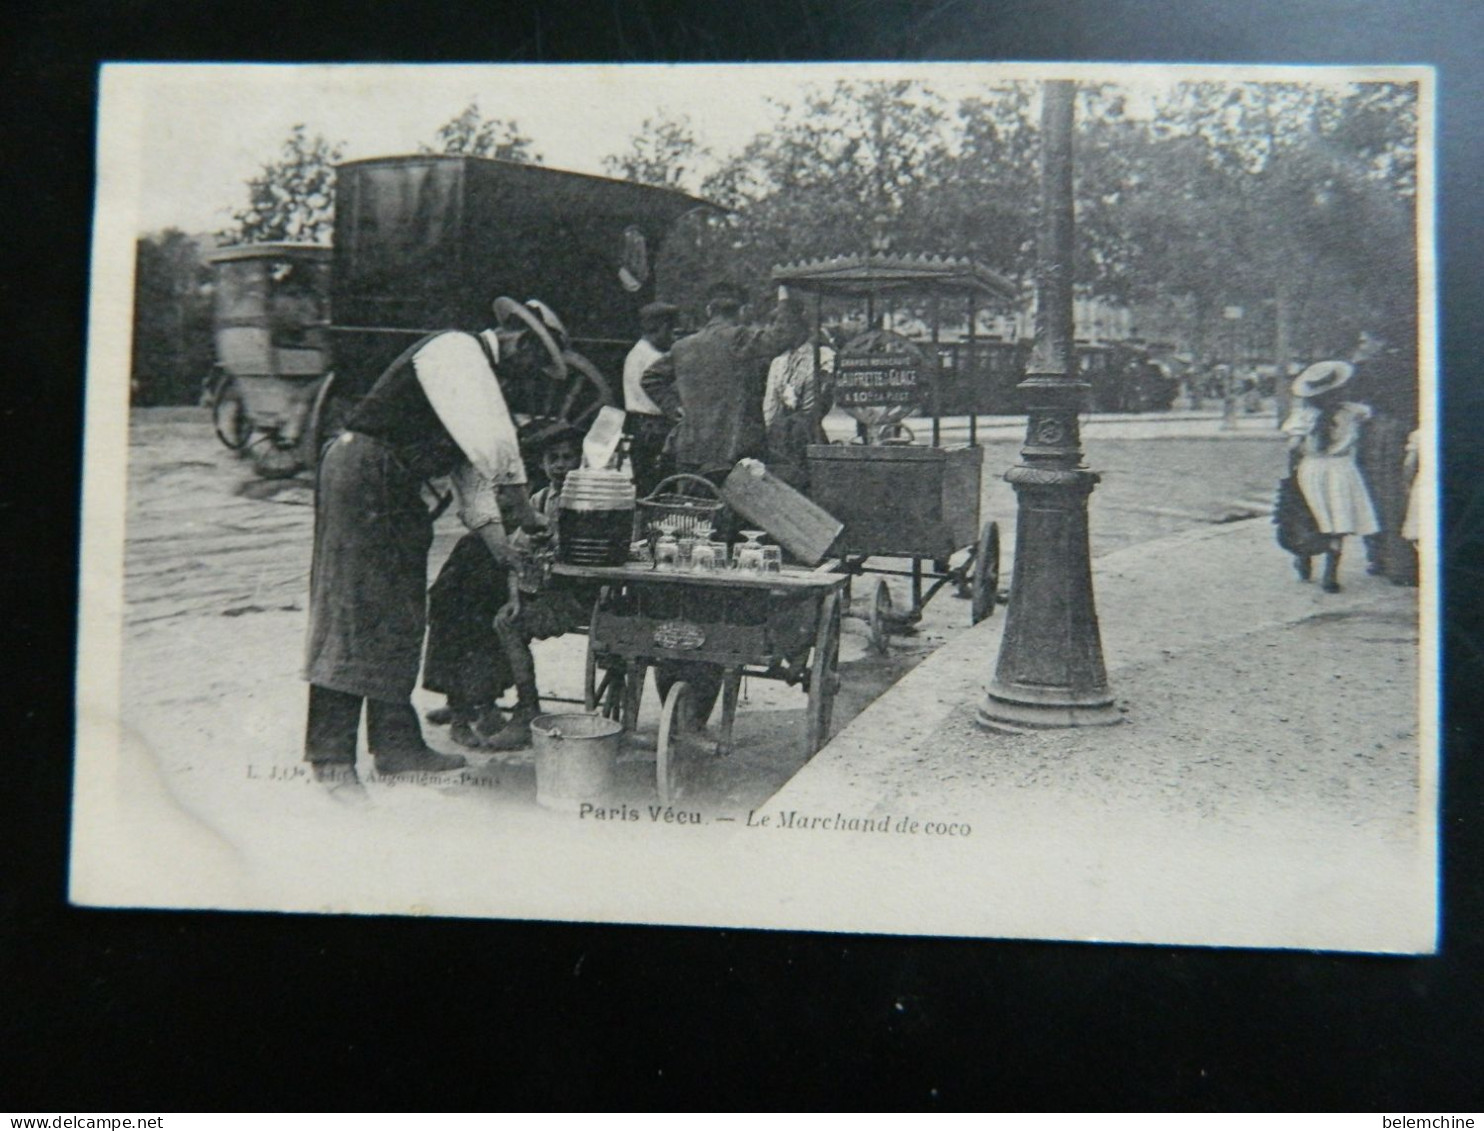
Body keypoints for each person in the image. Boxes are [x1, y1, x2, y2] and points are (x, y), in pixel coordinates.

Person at [302, 297, 570, 789]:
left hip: (391, 483)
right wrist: (528, 513)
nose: (530, 376)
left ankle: (396, 747)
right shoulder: (458, 352)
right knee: (354, 610)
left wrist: (502, 548)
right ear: (521, 342)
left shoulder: (477, 383)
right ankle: (331, 755)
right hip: (365, 472)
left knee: (398, 613)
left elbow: (471, 479)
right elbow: (495, 447)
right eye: (535, 362)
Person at [639, 281, 807, 722]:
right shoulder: (745, 341)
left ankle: (680, 645)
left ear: (708, 308)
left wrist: (679, 411)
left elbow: (650, 378)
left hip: (690, 467)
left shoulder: (686, 346)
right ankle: (751, 635)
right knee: (744, 559)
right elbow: (787, 335)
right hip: (738, 467)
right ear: (743, 309)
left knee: (691, 551)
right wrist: (787, 299)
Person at [422, 420, 586, 750]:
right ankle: (463, 703)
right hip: (493, 545)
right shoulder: (500, 458)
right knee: (450, 599)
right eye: (553, 458)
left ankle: (478, 700)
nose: (560, 465)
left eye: (567, 458)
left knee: (488, 609)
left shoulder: (559, 488)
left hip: (514, 553)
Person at [1282, 360, 1380, 593]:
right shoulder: (1354, 412)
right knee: (1338, 519)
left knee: (1310, 515)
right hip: (1342, 468)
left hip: (1313, 468)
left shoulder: (1302, 416)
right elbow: (1368, 415)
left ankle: (1304, 559)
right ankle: (1331, 574)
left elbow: (1293, 445)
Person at [1348, 321, 1419, 585]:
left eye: (1365, 341)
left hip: (1380, 433)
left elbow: (1357, 401)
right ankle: (1394, 559)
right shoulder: (1404, 365)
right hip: (1398, 430)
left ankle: (1387, 560)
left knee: (1380, 496)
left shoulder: (1369, 368)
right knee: (1393, 495)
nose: (1362, 346)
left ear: (1380, 342)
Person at [762, 324, 835, 490]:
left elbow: (821, 402)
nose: (780, 335)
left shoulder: (822, 357)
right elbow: (770, 406)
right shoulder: (779, 362)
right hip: (783, 433)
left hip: (806, 431)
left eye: (784, 329)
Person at [622, 301, 679, 497]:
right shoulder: (654, 359)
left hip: (638, 426)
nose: (673, 338)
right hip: (655, 429)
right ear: (662, 327)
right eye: (671, 331)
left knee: (644, 485)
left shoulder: (636, 353)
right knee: (661, 486)